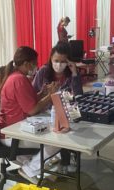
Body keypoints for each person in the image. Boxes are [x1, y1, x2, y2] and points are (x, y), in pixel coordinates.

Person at [0, 46, 60, 184]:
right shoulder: (18, 80)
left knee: (51, 131)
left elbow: (27, 101)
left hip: (10, 128)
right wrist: (50, 96)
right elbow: (32, 109)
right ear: (26, 64)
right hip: (12, 134)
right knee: (58, 140)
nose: (36, 66)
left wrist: (42, 93)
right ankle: (30, 169)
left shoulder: (17, 77)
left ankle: (35, 167)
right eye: (35, 63)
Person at [32, 42, 83, 173]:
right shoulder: (43, 72)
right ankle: (53, 160)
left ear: (68, 61)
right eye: (56, 60)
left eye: (62, 61)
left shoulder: (72, 73)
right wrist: (44, 94)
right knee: (56, 133)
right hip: (46, 112)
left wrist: (75, 73)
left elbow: (79, 96)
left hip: (68, 111)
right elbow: (33, 94)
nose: (59, 64)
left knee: (76, 128)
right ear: (50, 59)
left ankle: (67, 158)